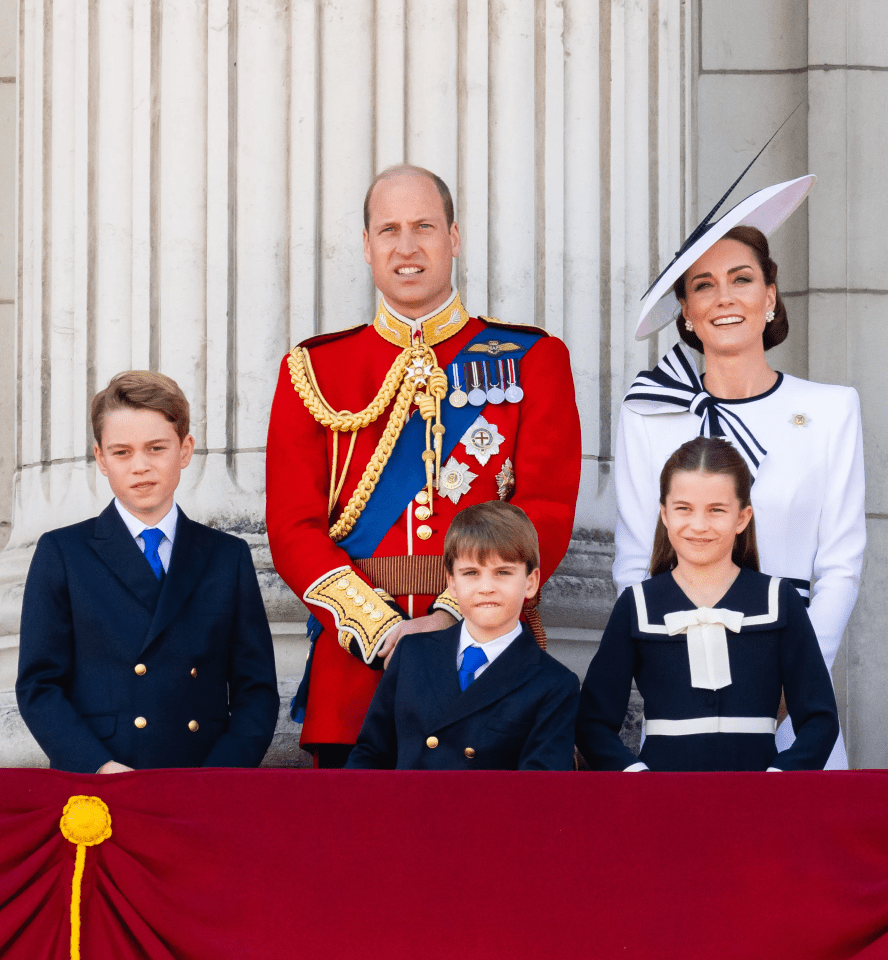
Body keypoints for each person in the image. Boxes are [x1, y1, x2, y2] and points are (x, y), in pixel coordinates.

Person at [266, 165, 581, 767]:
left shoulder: (532, 359)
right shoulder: (313, 370)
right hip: (356, 681)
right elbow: (291, 527)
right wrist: (383, 634)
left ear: (454, 238)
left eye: (424, 227)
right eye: (388, 230)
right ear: (366, 246)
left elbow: (545, 507)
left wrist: (450, 615)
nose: (406, 247)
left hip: (485, 670)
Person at [615, 176, 864, 769]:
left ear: (771, 296)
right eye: (704, 285)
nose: (725, 297)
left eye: (742, 279)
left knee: (796, 855)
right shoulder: (649, 414)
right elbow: (631, 563)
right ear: (687, 313)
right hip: (681, 680)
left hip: (793, 688)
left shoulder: (833, 409)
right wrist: (669, 672)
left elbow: (840, 564)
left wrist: (792, 679)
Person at [16, 371, 279, 773]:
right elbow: (39, 686)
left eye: (156, 448)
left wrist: (220, 777)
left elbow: (255, 690)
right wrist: (99, 767)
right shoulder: (63, 553)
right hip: (102, 781)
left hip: (203, 781)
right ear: (101, 459)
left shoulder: (228, 557)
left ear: (185, 450)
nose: (140, 466)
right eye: (121, 452)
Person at [578, 437, 839, 772]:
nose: (698, 525)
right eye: (683, 509)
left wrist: (780, 780)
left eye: (716, 510)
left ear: (742, 518)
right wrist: (635, 777)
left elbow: (820, 718)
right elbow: (592, 723)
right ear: (665, 515)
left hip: (758, 801)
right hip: (663, 801)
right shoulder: (638, 604)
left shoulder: (779, 599)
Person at [346, 502, 580, 770]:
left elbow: (538, 793)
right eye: (471, 573)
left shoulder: (554, 683)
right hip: (404, 810)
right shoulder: (411, 654)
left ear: (530, 582)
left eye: (502, 572)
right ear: (452, 584)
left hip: (489, 812)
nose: (486, 588)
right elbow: (369, 757)